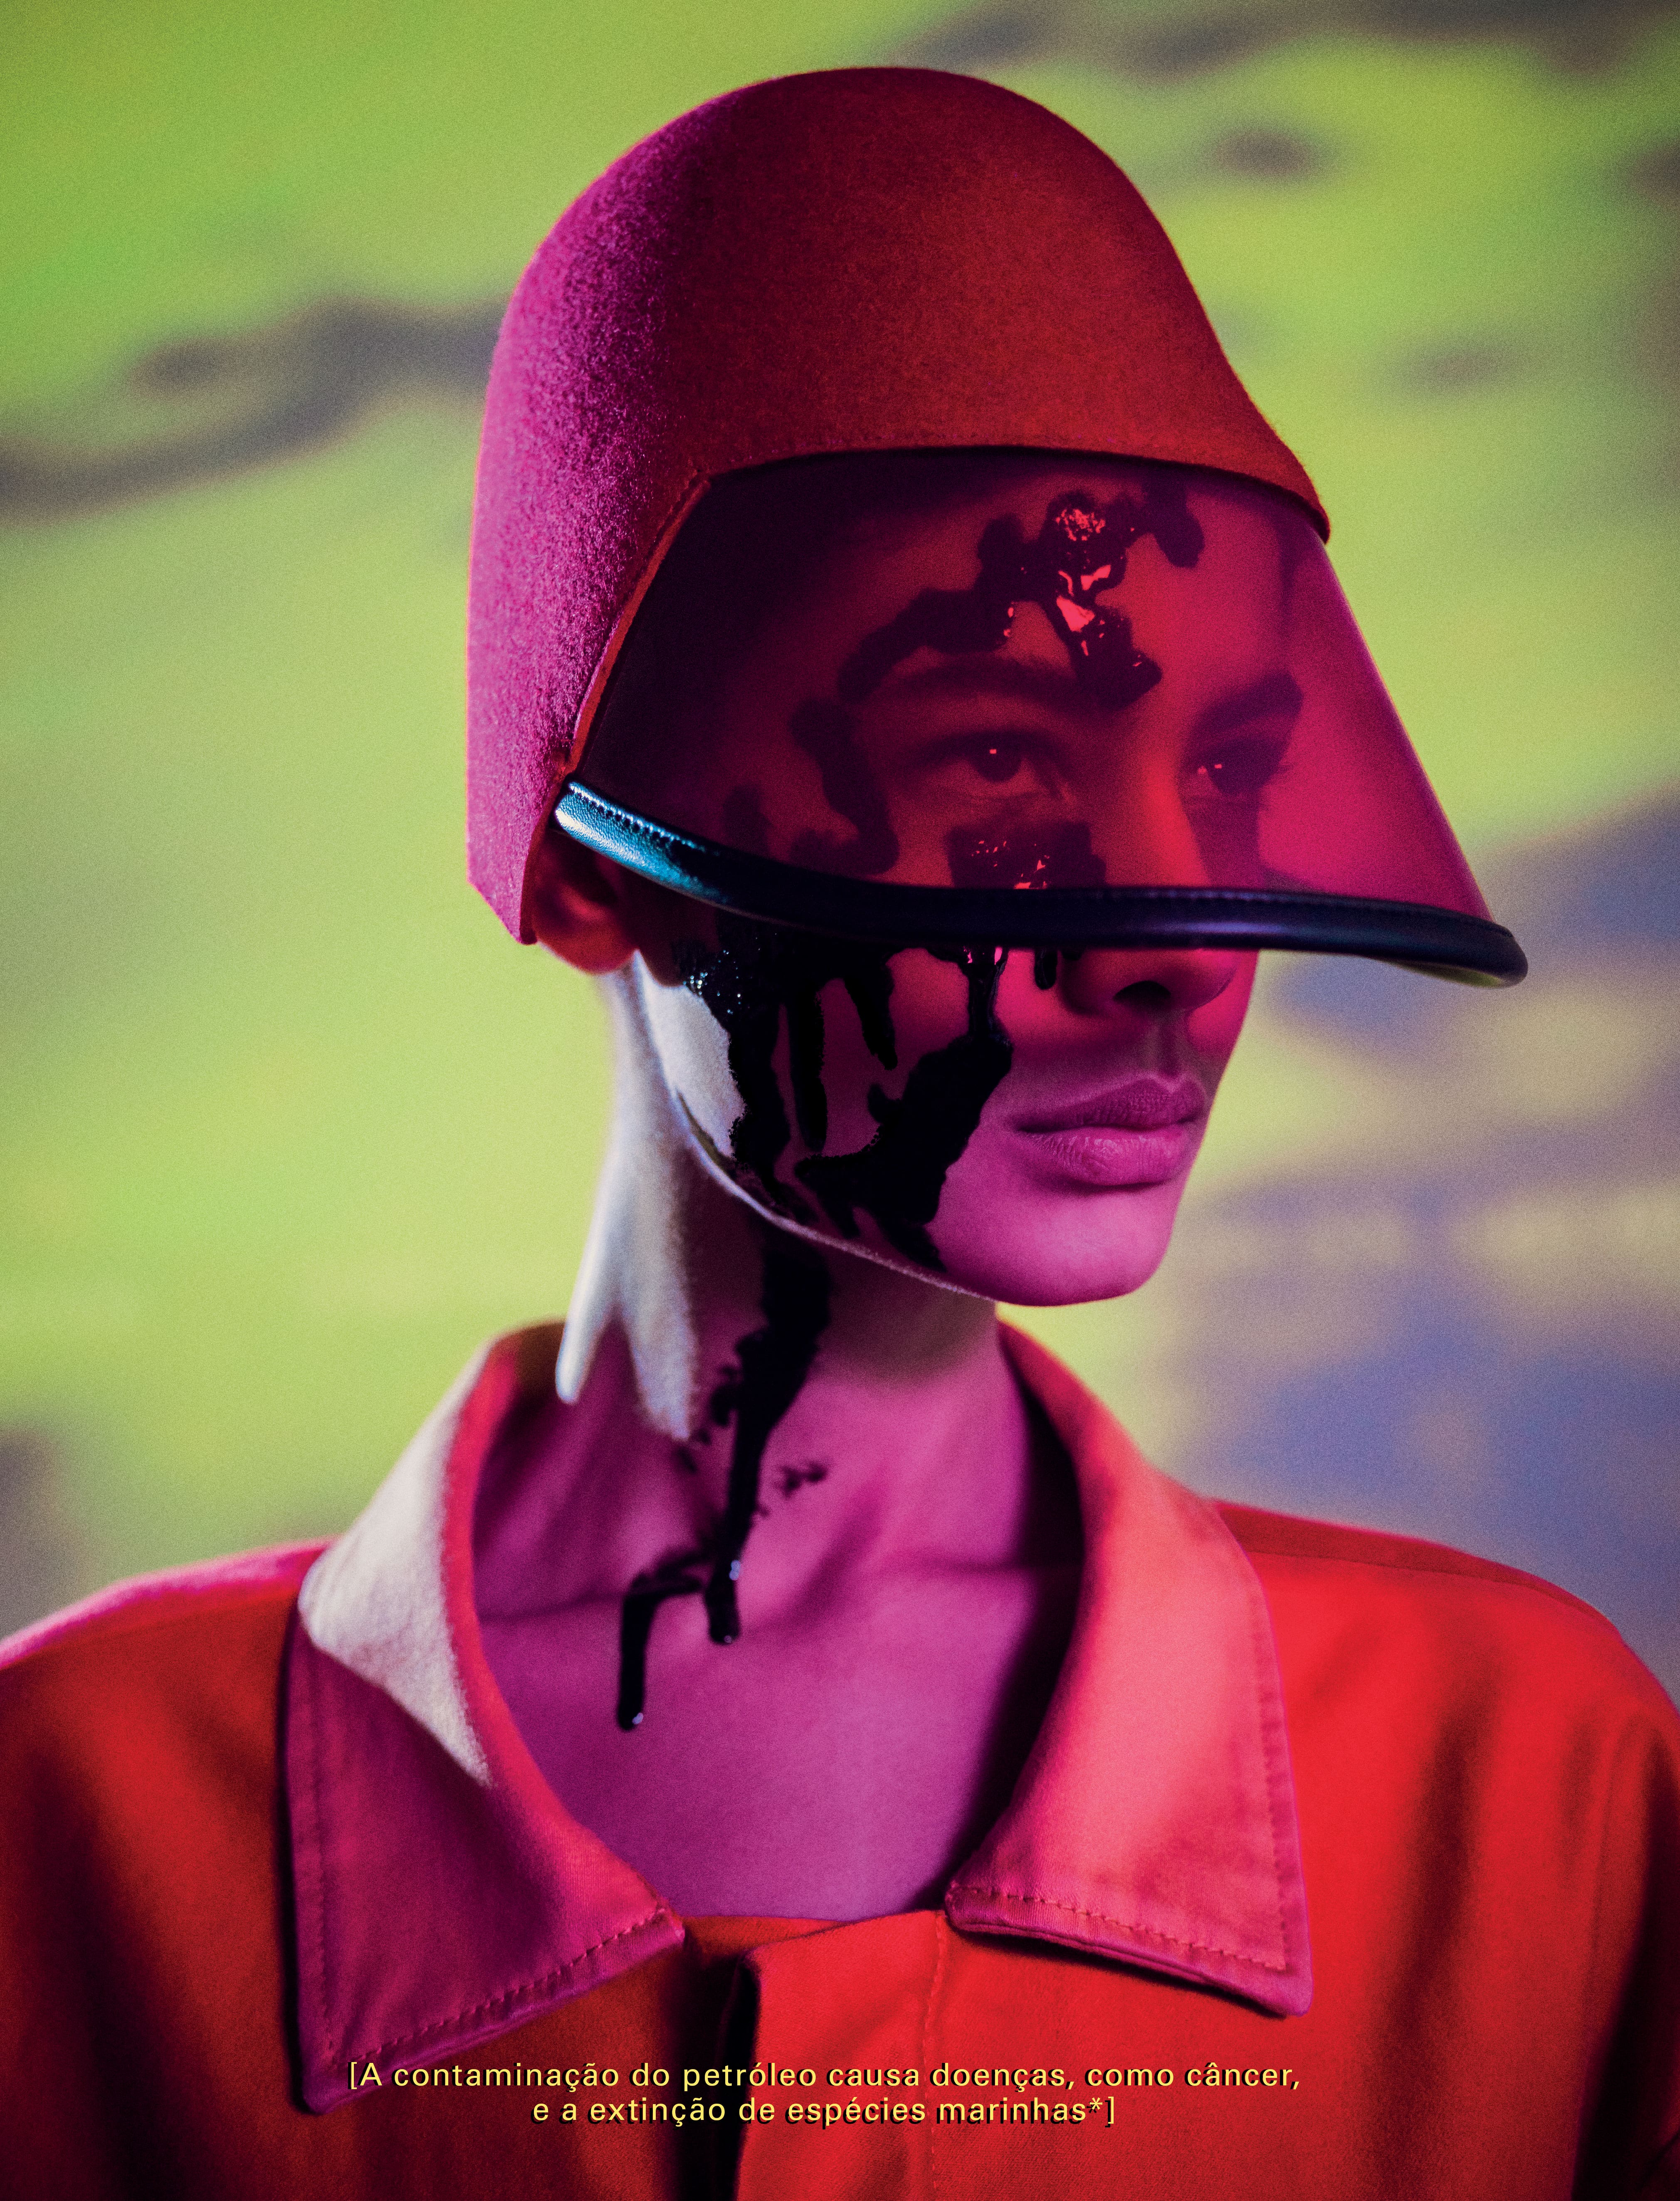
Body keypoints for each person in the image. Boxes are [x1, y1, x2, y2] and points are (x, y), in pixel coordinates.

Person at [2, 67, 1675, 2201]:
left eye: (1234, 776)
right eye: (991, 768)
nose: (1178, 948)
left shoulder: (1535, 1788)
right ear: (587, 864)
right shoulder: (67, 1821)